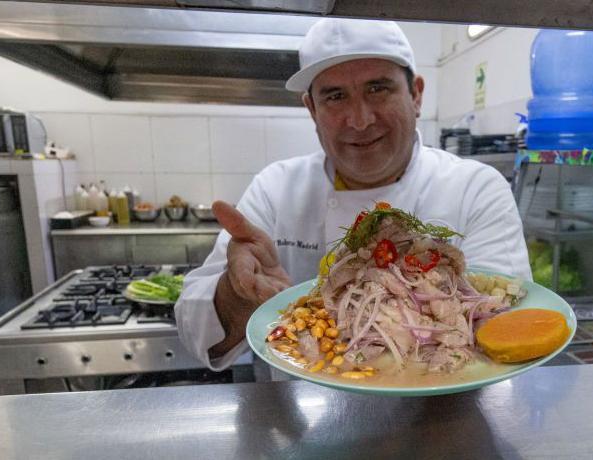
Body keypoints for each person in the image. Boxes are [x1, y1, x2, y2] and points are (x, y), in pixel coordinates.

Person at [175, 18, 531, 372]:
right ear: (312, 109)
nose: (360, 120)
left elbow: (510, 331)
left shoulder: (475, 188)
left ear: (416, 95)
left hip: (443, 405)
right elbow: (194, 332)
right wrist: (239, 295)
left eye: (378, 89)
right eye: (335, 96)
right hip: (295, 405)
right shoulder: (275, 189)